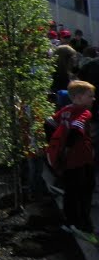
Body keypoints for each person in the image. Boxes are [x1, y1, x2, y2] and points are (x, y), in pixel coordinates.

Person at [46, 80, 97, 243]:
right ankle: (83, 225)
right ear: (79, 97)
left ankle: (69, 222)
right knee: (84, 192)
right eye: (90, 96)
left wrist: (55, 145)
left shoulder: (65, 110)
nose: (93, 99)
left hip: (67, 162)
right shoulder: (85, 113)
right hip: (81, 160)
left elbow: (49, 122)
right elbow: (76, 130)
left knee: (70, 191)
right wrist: (68, 147)